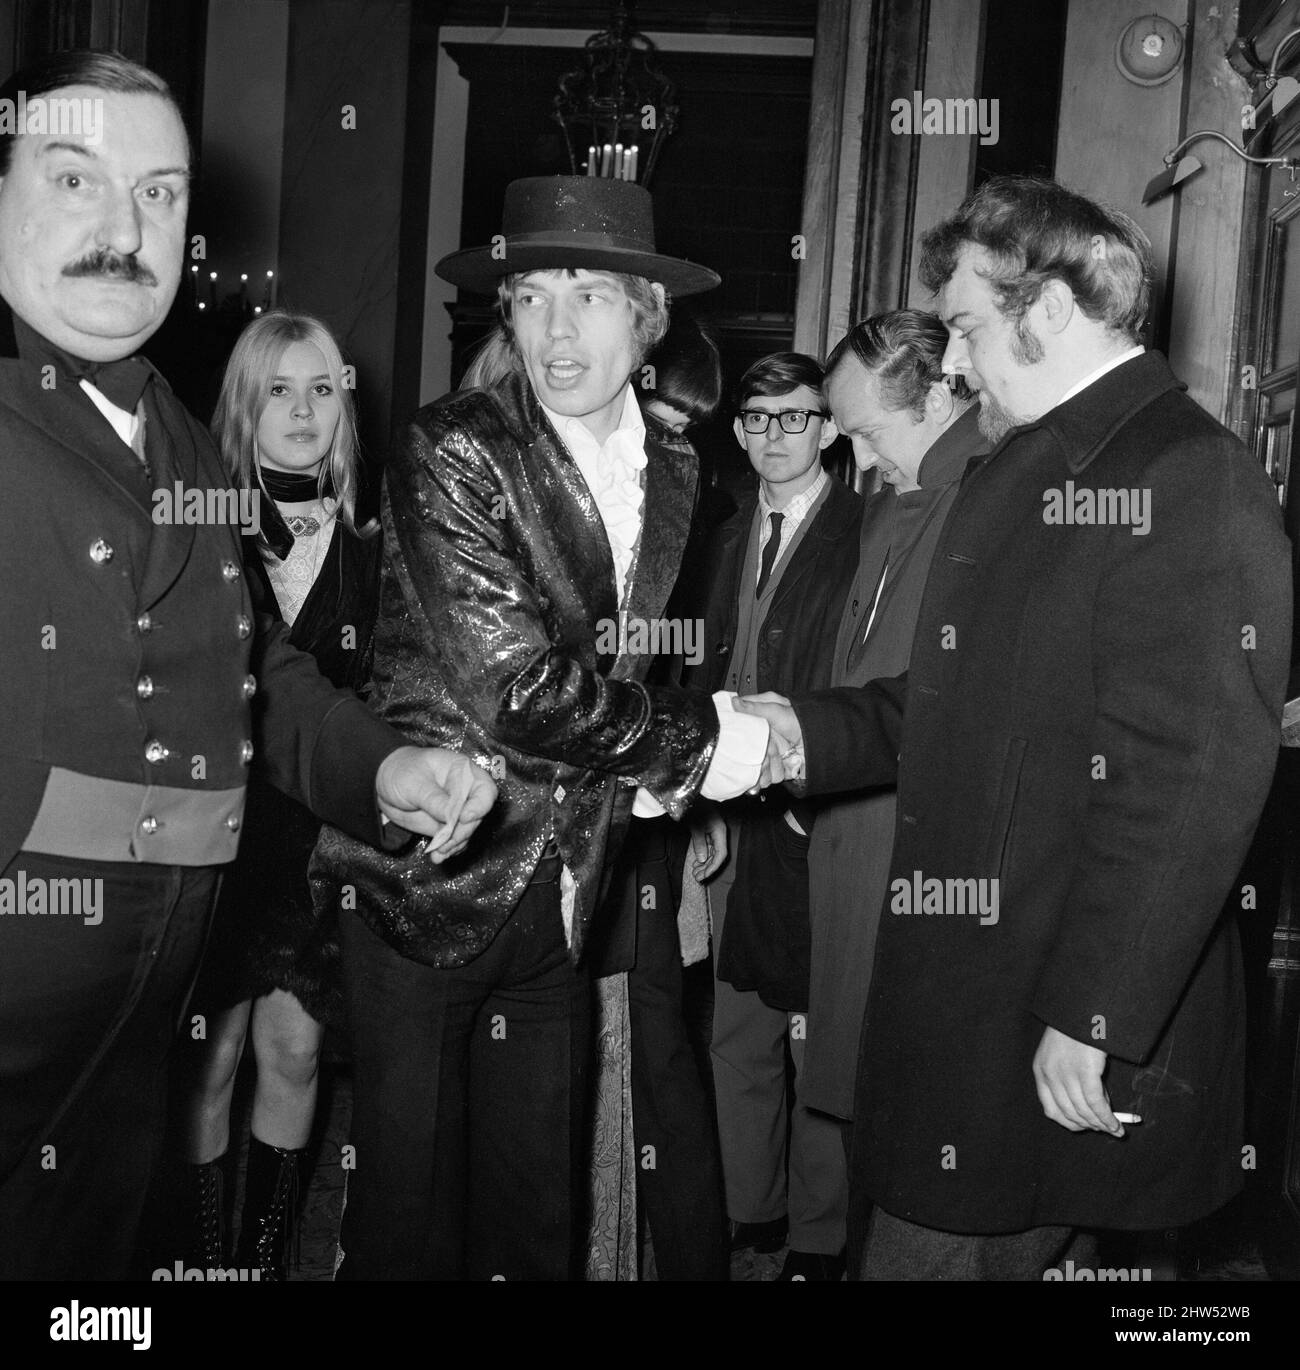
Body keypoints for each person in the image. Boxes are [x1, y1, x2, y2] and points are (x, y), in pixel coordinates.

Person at [739, 176, 1292, 1279]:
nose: (951, 362)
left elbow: (1189, 779)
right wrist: (786, 731)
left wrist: (1094, 1014)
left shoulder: (1186, 476)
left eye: (967, 327)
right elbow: (953, 710)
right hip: (980, 998)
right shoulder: (1026, 466)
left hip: (1054, 1015)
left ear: (1046, 311)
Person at [0, 49, 494, 1282]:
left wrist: (384, 768)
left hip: (143, 1003)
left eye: (159, 193)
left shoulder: (171, 429)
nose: (125, 229)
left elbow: (257, 672)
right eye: (77, 178)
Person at [310, 175, 772, 1281]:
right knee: (408, 1222)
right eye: (530, 297)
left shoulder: (678, 464)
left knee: (537, 1216)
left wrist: (649, 790)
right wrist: (701, 748)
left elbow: (629, 657)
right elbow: (517, 683)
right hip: (429, 885)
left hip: (569, 894)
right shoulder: (452, 444)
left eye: (591, 295)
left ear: (647, 316)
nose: (556, 330)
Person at [181, 313, 382, 1279]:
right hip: (222, 831)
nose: (302, 411)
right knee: (208, 1063)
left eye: (322, 390)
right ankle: (199, 1261)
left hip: (320, 843)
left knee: (294, 1053)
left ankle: (258, 1268)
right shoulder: (202, 528)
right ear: (244, 404)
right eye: (279, 390)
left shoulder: (374, 549)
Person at [799, 312, 985, 1260]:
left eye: (872, 433)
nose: (860, 461)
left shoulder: (982, 500)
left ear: (944, 393)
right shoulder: (891, 501)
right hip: (850, 823)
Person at [693, 352, 861, 1280]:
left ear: (829, 428)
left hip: (814, 808)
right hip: (729, 809)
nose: (770, 437)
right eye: (754, 420)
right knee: (737, 1023)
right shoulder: (724, 535)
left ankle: (819, 1233)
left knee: (816, 1029)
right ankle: (750, 1209)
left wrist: (814, 797)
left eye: (791, 419)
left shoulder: (867, 530)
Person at [584, 313, 730, 1281]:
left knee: (655, 1035)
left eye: (689, 421)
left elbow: (691, 664)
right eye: (661, 411)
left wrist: (693, 789)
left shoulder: (697, 505)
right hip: (570, 793)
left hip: (644, 800)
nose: (672, 434)